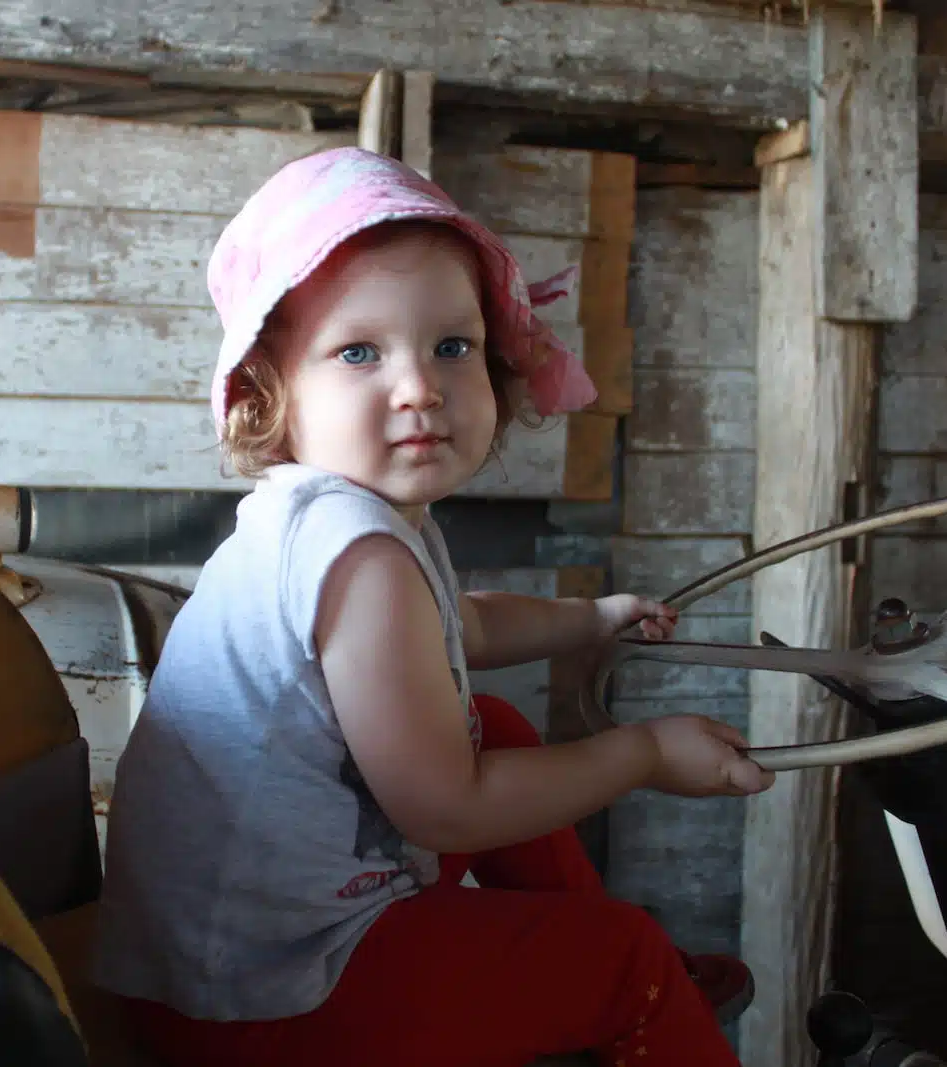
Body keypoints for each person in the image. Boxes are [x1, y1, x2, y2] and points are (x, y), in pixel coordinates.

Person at [91, 146, 776, 1067]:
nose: (419, 385)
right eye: (359, 351)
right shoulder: (361, 555)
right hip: (259, 999)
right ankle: (631, 991)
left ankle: (579, 964)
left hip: (235, 941)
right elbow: (446, 810)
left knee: (486, 716)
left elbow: (468, 625)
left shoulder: (348, 522)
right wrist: (645, 753)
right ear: (271, 398)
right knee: (630, 961)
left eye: (451, 346)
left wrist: (593, 617)